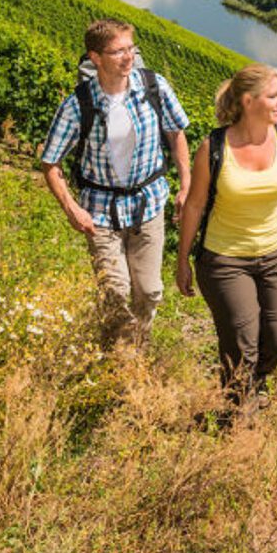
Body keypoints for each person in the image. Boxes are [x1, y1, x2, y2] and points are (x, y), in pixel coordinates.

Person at [176, 63, 277, 407]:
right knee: (242, 345)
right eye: (274, 96)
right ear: (248, 101)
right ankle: (237, 415)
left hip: (275, 254)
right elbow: (195, 205)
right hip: (225, 259)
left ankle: (252, 384)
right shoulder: (213, 146)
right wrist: (183, 260)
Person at [40, 18, 191, 346]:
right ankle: (119, 361)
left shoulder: (154, 87)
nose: (128, 58)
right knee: (115, 291)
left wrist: (186, 184)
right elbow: (50, 163)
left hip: (148, 205)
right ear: (95, 58)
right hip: (100, 213)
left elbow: (176, 133)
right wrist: (71, 209)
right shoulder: (78, 105)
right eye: (118, 51)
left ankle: (137, 347)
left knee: (149, 291)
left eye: (131, 49)